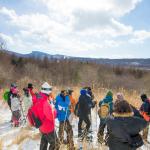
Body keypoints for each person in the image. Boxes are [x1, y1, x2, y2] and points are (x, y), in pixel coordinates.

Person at [36, 82, 59, 150]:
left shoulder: (39, 98)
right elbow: (50, 115)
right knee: (55, 144)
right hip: (48, 126)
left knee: (44, 142)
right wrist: (55, 111)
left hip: (42, 125)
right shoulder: (45, 101)